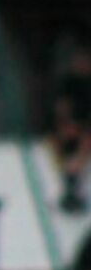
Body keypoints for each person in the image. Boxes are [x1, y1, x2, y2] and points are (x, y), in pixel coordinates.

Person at [50, 39, 91, 215]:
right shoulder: (68, 83)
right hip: (71, 128)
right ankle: (70, 189)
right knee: (68, 158)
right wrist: (67, 124)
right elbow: (62, 107)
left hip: (85, 129)